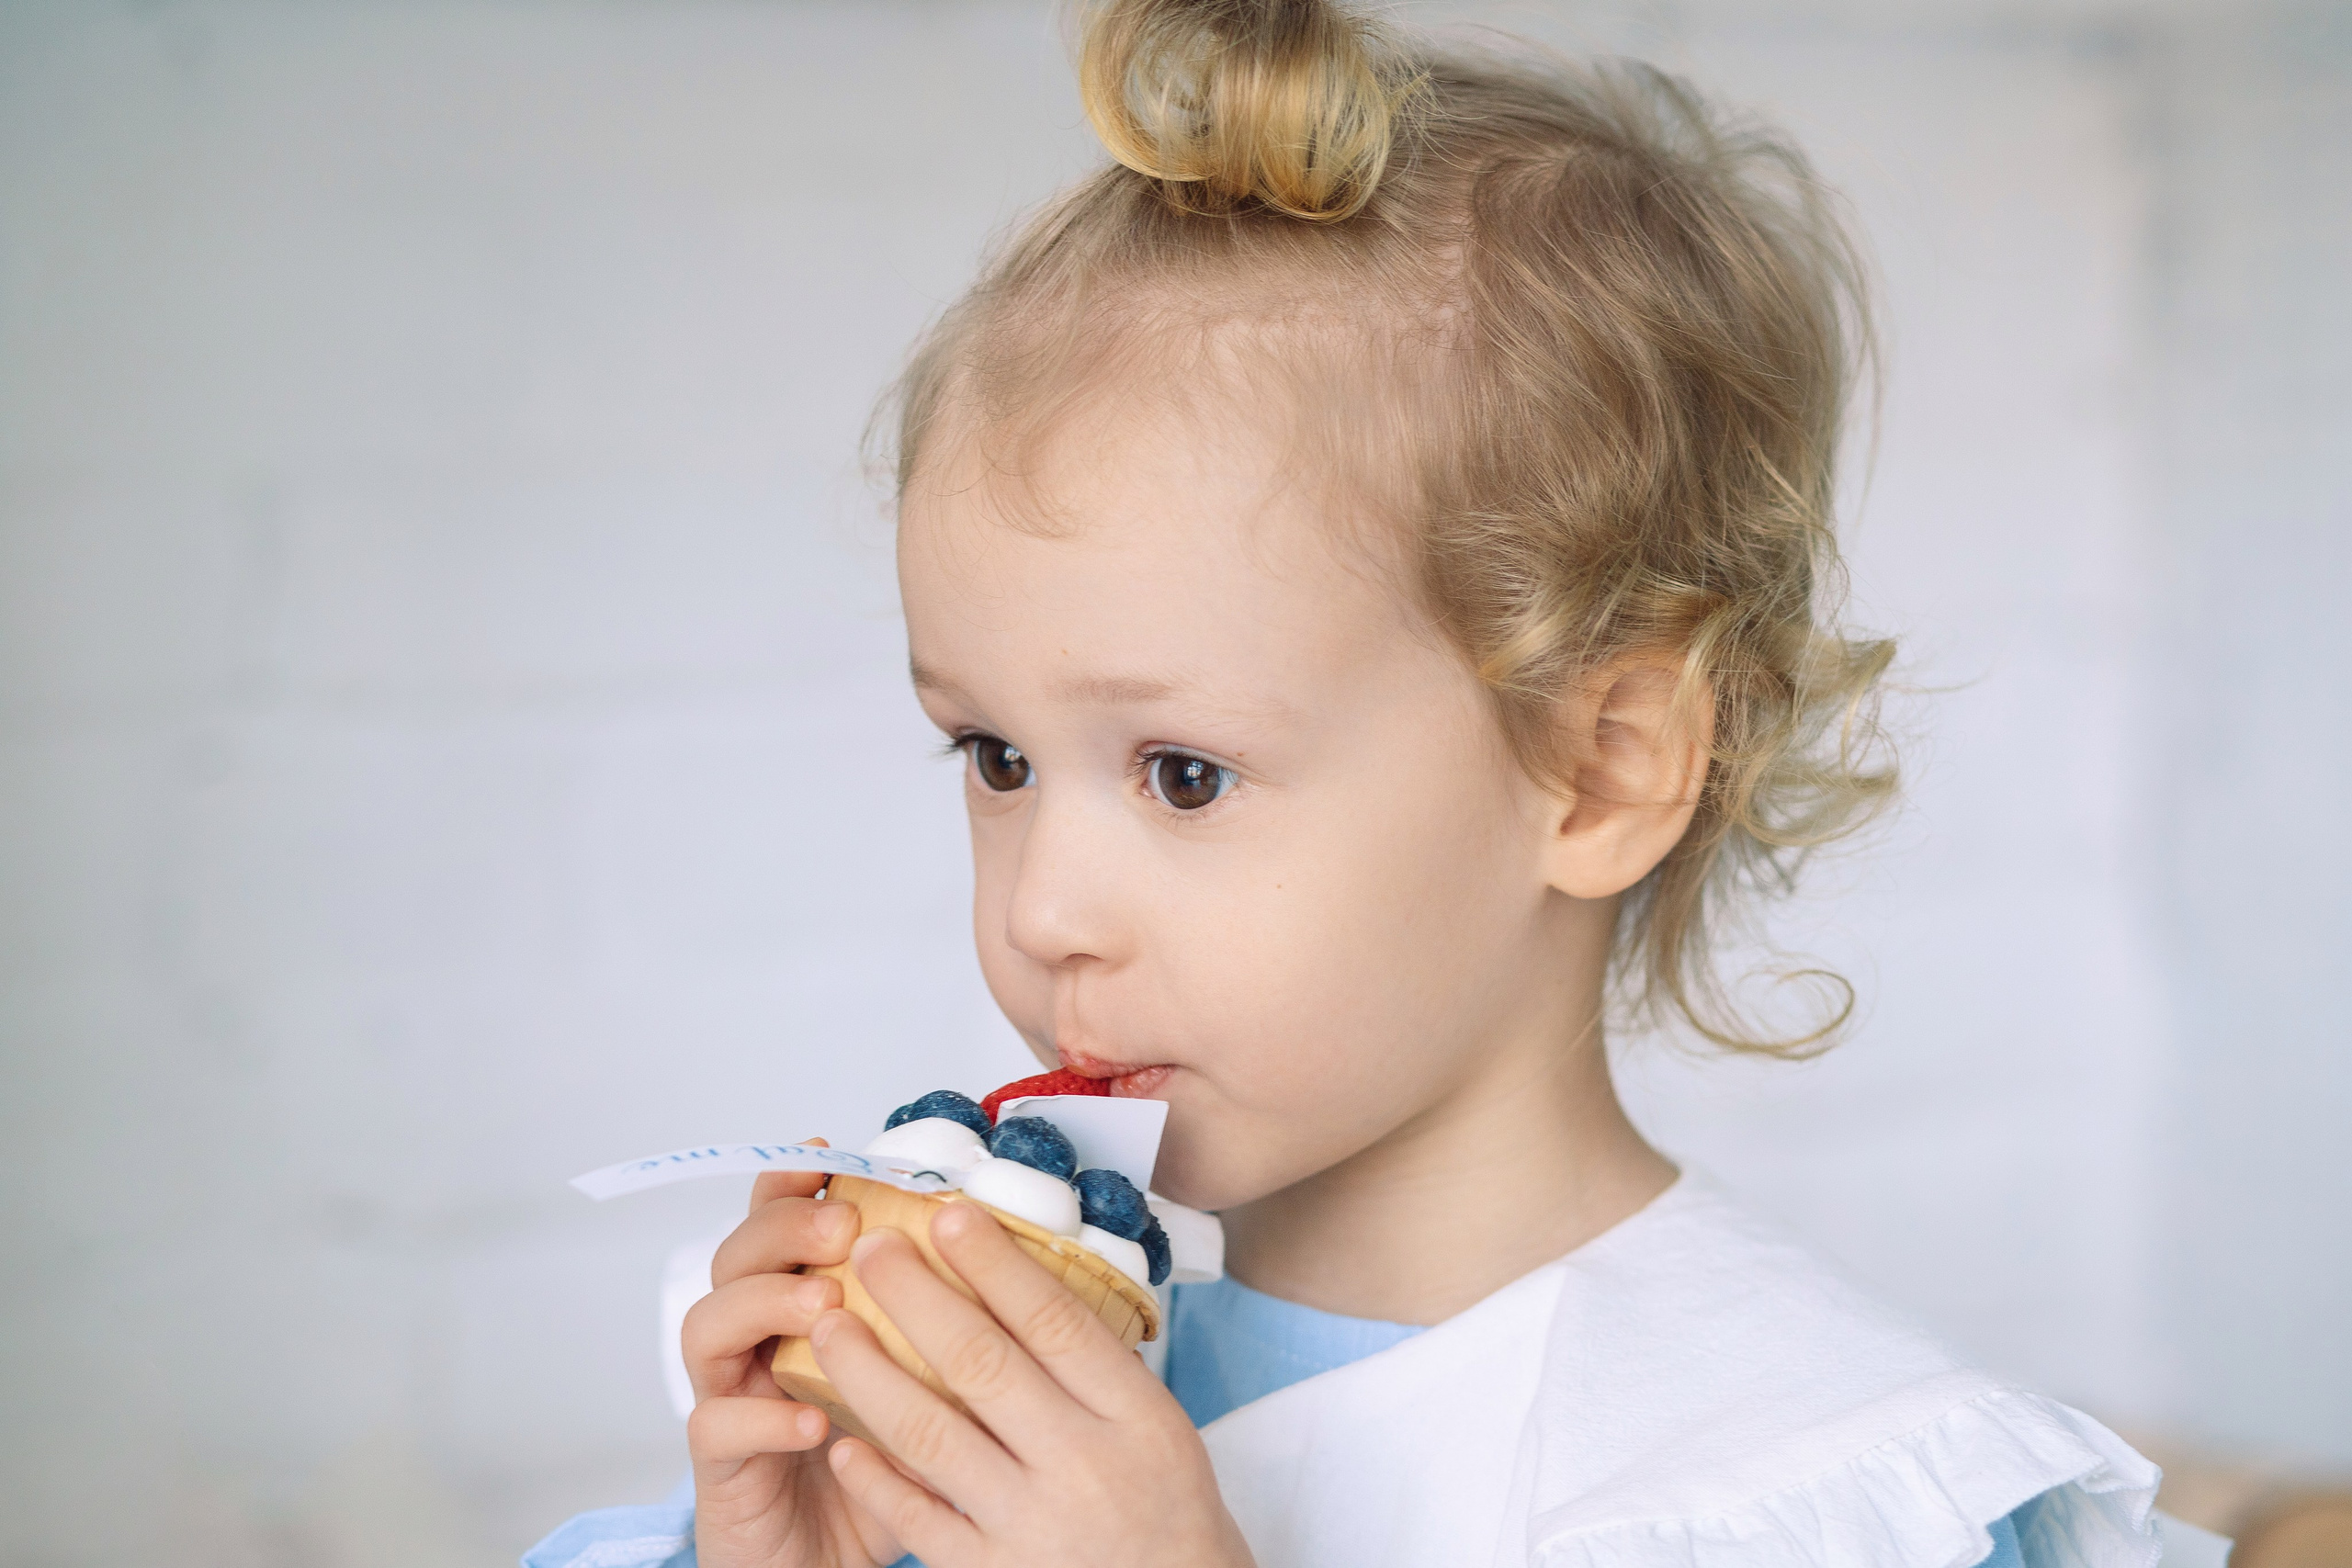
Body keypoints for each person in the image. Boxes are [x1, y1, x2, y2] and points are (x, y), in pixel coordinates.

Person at [528, 2, 2217, 1564]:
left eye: (1182, 773)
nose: (1042, 907)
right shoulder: (1005, 1430)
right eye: (997, 757)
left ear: (1596, 770)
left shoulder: (1815, 1484)